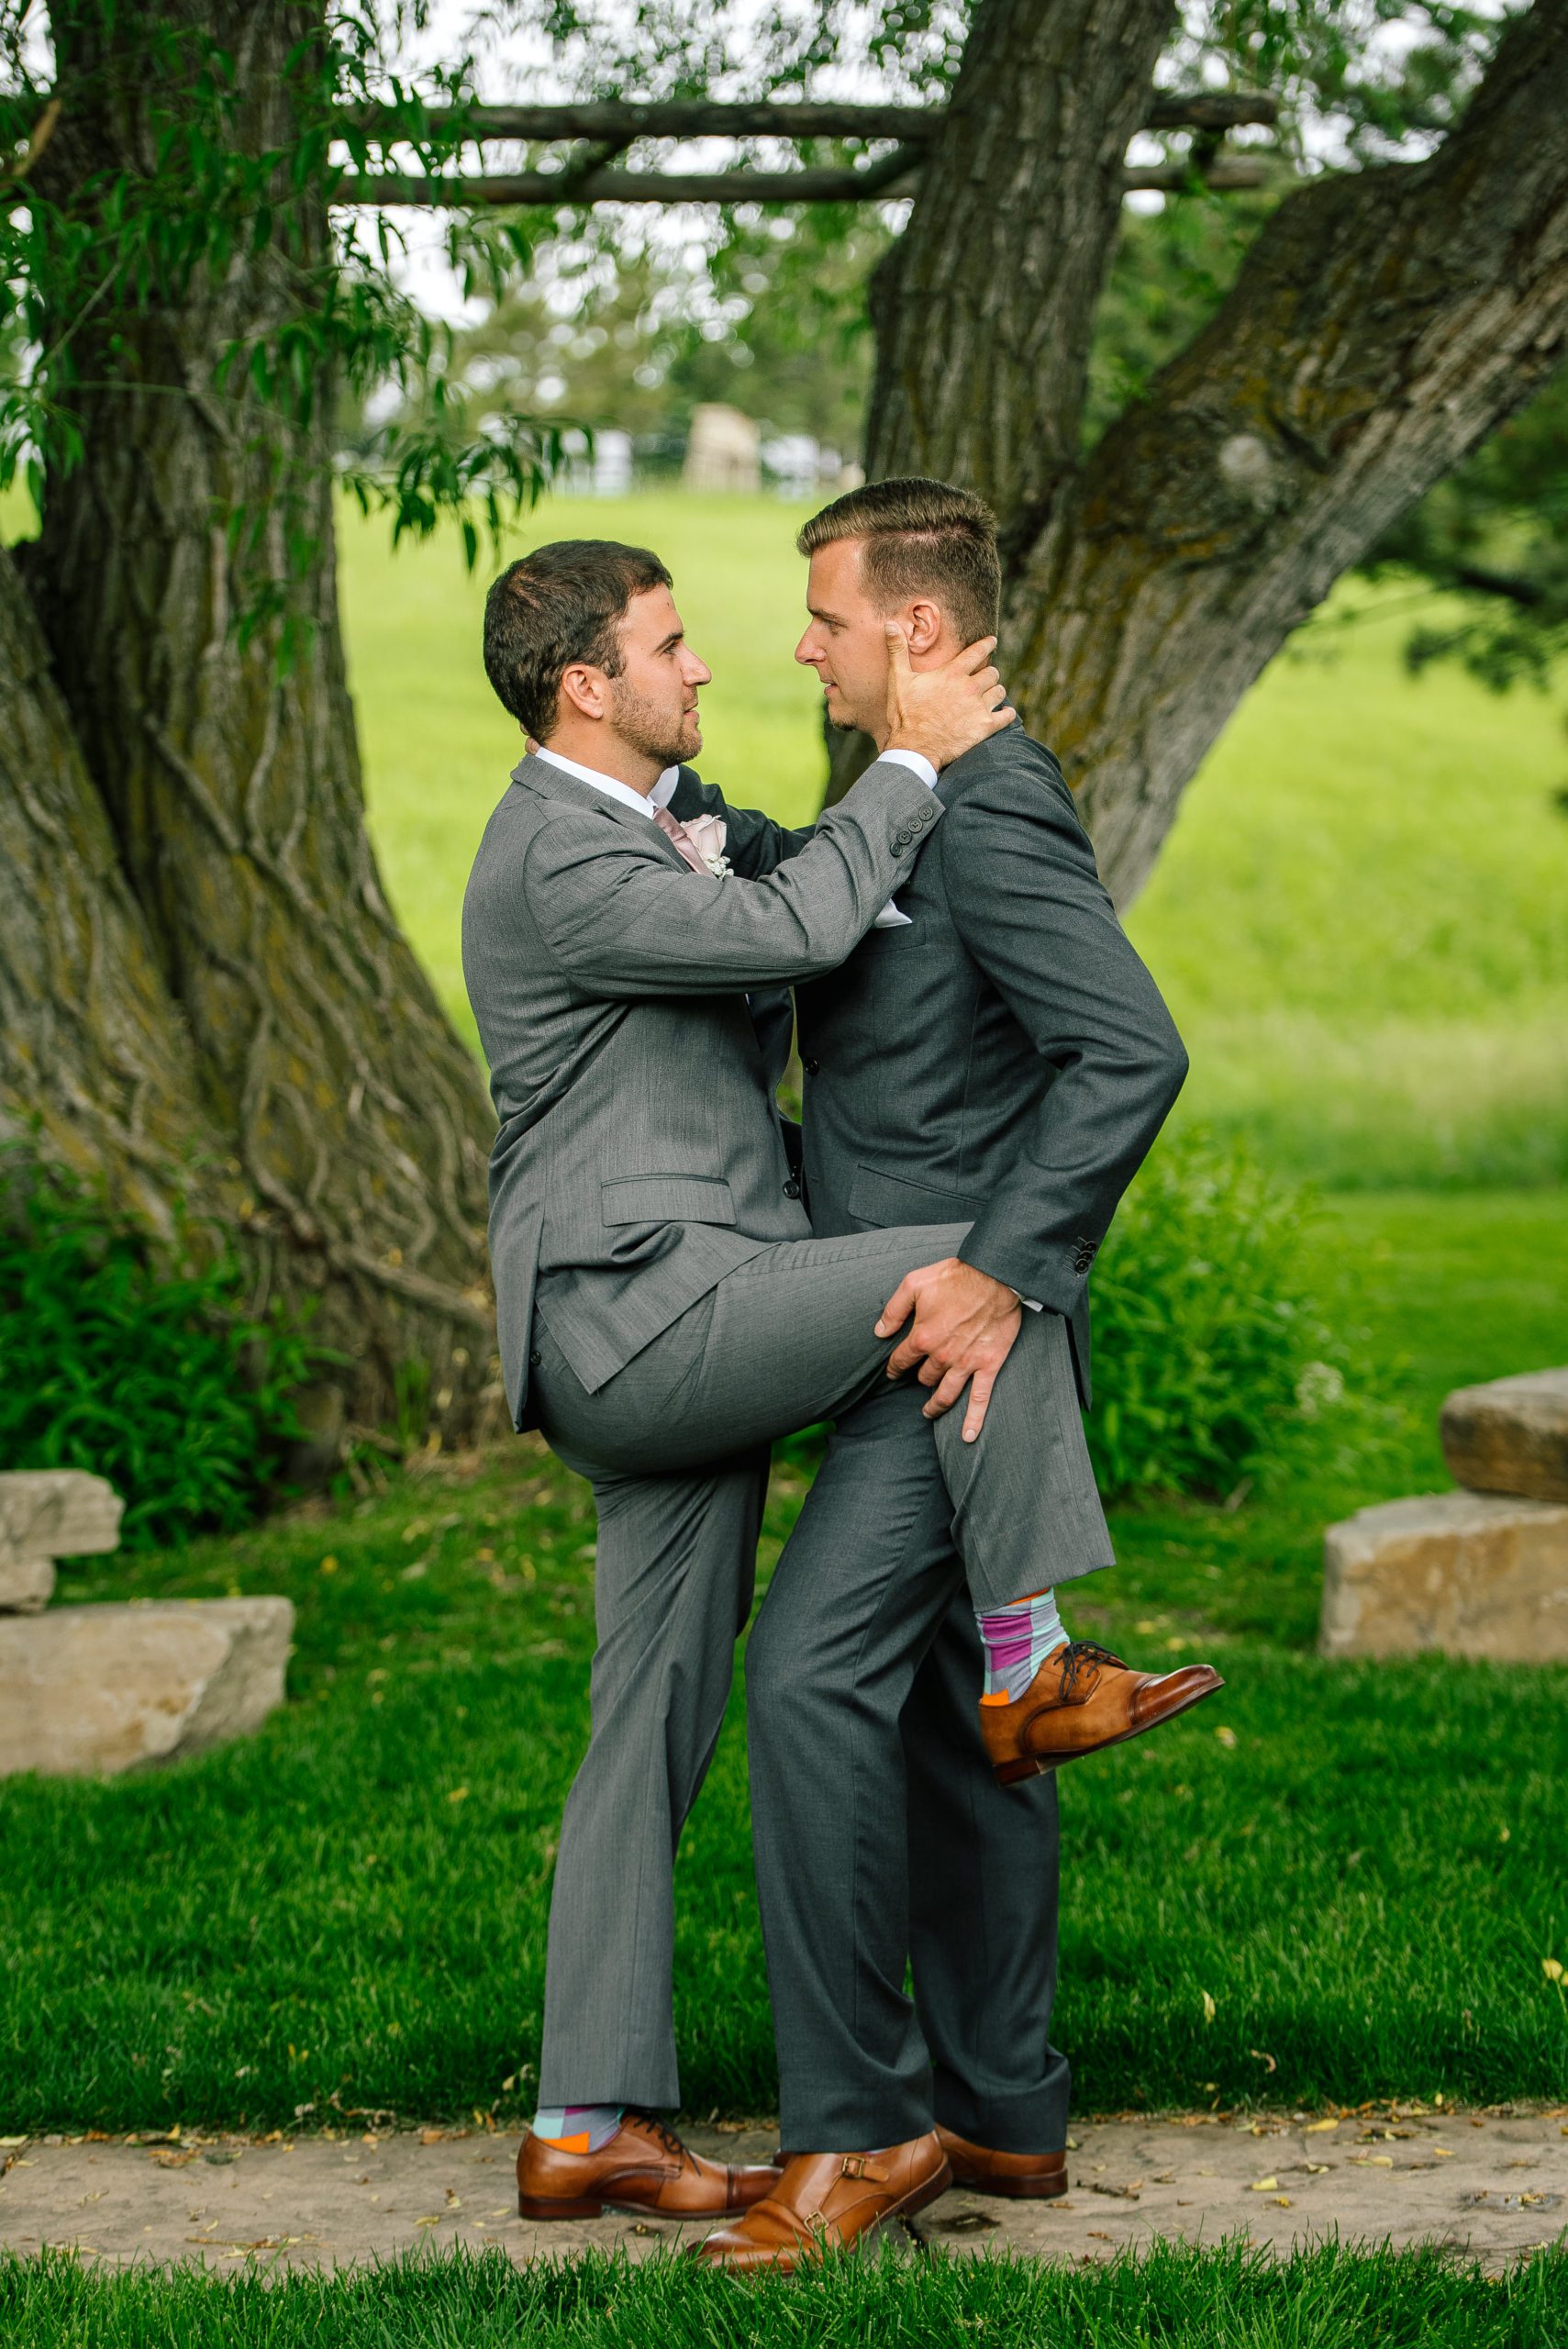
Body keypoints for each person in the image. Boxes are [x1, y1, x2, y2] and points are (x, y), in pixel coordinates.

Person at [462, 537, 1153, 2228]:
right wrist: (912, 759)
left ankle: (581, 2120)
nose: (707, 665)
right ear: (585, 685)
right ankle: (1029, 1655)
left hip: (667, 1310)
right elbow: (795, 920)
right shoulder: (557, 850)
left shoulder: (650, 823)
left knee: (644, 1723)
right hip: (641, 1317)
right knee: (979, 1270)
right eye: (669, 645)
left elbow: (774, 905)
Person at [674, 478, 1216, 2272]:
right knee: (939, 1709)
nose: (803, 646)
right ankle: (1003, 2108)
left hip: (954, 1355)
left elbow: (1127, 1049)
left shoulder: (994, 810)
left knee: (806, 1675)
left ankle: (860, 2126)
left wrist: (999, 1270)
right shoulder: (905, 802)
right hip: (885, 1334)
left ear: (914, 626)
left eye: (827, 617)